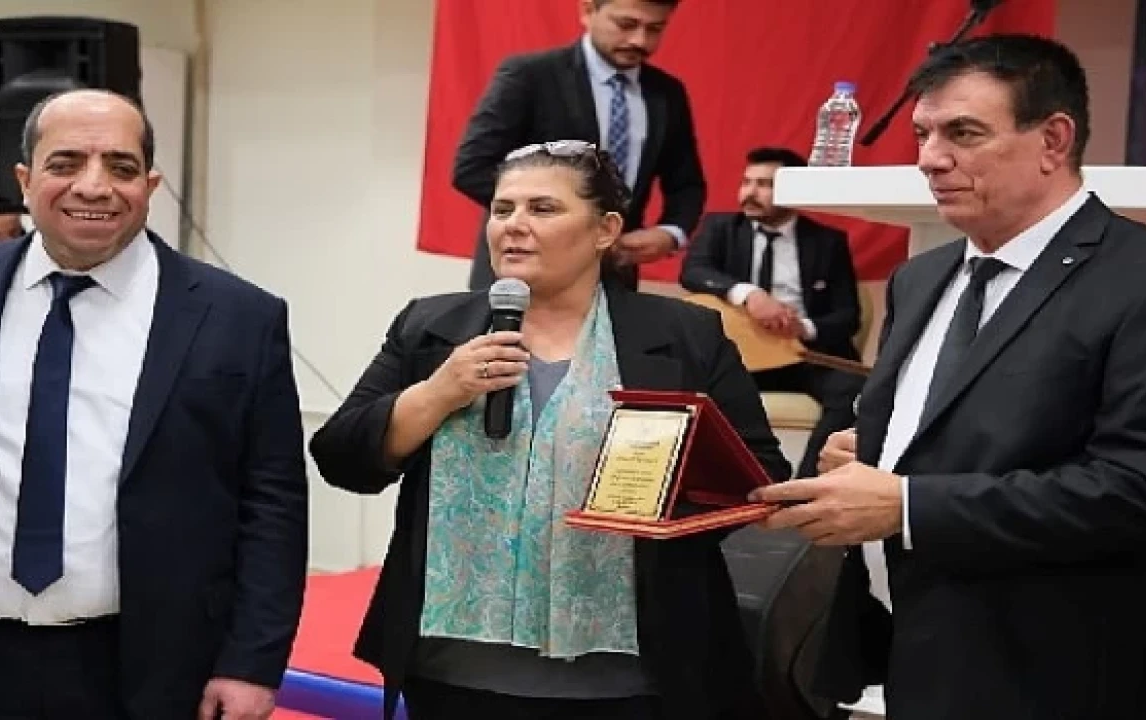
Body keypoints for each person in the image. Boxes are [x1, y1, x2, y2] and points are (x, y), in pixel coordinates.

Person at [750, 34, 1146, 719]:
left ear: (1053, 140)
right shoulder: (921, 278)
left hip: (1066, 670)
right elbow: (966, 424)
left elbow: (1144, 488)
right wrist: (875, 451)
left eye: (964, 133)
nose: (930, 158)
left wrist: (908, 505)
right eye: (923, 133)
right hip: (919, 648)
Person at [310, 140, 790, 720]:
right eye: (502, 209)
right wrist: (438, 393)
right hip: (451, 670)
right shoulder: (431, 326)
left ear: (605, 230)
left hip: (629, 673)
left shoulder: (684, 334)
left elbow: (759, 474)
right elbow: (341, 457)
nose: (514, 225)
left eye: (543, 209)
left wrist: (655, 499)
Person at [0, 89, 309, 720]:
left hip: (150, 668)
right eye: (66, 163)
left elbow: (272, 503)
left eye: (121, 167)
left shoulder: (239, 318)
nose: (93, 186)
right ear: (25, 179)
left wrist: (252, 662)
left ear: (150, 185)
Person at [453, 0, 705, 292]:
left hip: (613, 275)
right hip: (523, 269)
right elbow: (473, 168)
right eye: (626, 25)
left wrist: (670, 233)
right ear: (587, 11)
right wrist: (551, 217)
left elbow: (686, 183)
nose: (639, 40)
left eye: (655, 29)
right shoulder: (531, 76)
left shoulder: (666, 94)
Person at [681, 146, 864, 477]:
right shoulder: (721, 228)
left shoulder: (827, 241)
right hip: (742, 355)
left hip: (801, 355)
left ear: (796, 189)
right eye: (747, 182)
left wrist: (802, 327)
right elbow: (694, 271)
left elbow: (847, 315)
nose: (750, 193)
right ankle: (725, 482)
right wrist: (750, 295)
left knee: (852, 389)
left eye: (765, 184)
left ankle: (804, 489)